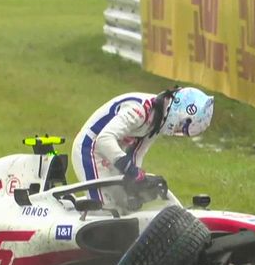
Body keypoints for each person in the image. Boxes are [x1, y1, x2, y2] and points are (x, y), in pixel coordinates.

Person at [71, 86, 214, 210]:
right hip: (90, 149)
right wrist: (131, 171)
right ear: (180, 111)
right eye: (181, 126)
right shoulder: (139, 110)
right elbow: (104, 140)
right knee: (106, 209)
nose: (177, 131)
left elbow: (136, 154)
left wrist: (135, 188)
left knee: (123, 207)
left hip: (111, 155)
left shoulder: (159, 119)